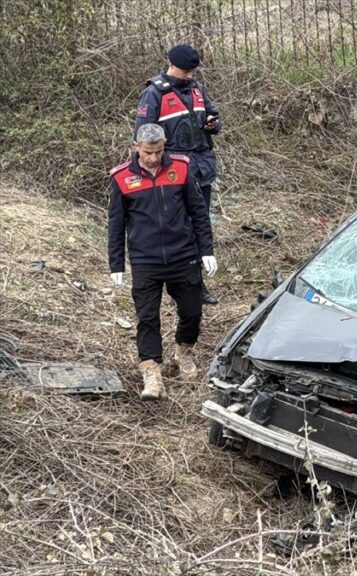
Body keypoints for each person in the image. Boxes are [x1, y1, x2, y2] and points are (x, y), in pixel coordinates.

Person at [108, 123, 218, 400]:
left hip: (183, 255)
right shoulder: (122, 178)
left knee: (192, 311)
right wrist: (116, 264)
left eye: (158, 151)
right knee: (147, 318)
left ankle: (184, 351)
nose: (154, 157)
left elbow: (198, 212)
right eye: (148, 152)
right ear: (136, 147)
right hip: (145, 261)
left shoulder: (181, 168)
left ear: (164, 145)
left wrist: (206, 250)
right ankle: (151, 372)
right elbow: (116, 224)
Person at [135, 43, 222, 304]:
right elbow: (143, 137)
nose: (190, 76)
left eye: (193, 72)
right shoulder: (153, 94)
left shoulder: (198, 89)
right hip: (171, 174)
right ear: (172, 65)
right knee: (177, 230)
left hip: (201, 170)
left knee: (199, 224)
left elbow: (214, 116)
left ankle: (196, 285)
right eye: (186, 71)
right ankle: (178, 289)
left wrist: (213, 124)